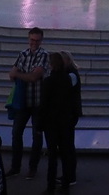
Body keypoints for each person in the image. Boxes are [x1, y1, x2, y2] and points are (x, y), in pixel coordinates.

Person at [5, 27, 49, 178]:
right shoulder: (22, 54)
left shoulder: (44, 55)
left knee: (37, 136)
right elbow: (11, 75)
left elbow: (34, 77)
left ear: (41, 40)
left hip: (37, 102)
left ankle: (32, 167)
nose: (34, 43)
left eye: (37, 40)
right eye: (32, 40)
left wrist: (19, 74)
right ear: (28, 39)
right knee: (16, 133)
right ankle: (15, 167)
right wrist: (20, 74)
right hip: (22, 102)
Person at [40, 50, 82, 190]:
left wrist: (40, 124)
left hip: (52, 122)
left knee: (54, 155)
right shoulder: (68, 79)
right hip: (65, 120)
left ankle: (53, 184)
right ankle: (66, 182)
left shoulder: (49, 81)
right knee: (66, 150)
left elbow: (44, 103)